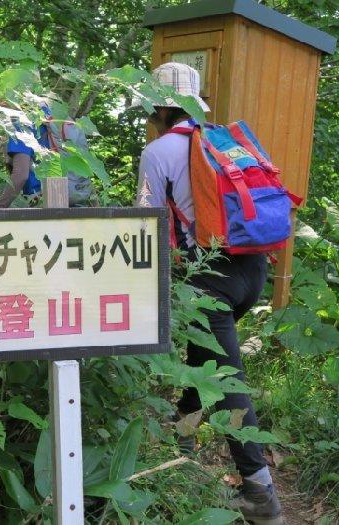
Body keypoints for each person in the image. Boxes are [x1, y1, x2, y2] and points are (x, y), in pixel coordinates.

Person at [135, 62, 283, 525]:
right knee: (207, 361)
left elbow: (148, 225)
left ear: (155, 106)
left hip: (209, 280)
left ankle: (260, 491)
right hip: (254, 271)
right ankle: (182, 442)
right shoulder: (226, 142)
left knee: (225, 382)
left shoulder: (158, 151)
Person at [0, 105, 96, 208]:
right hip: (76, 198)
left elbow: (21, 175)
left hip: (44, 201)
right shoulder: (55, 117)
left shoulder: (22, 125)